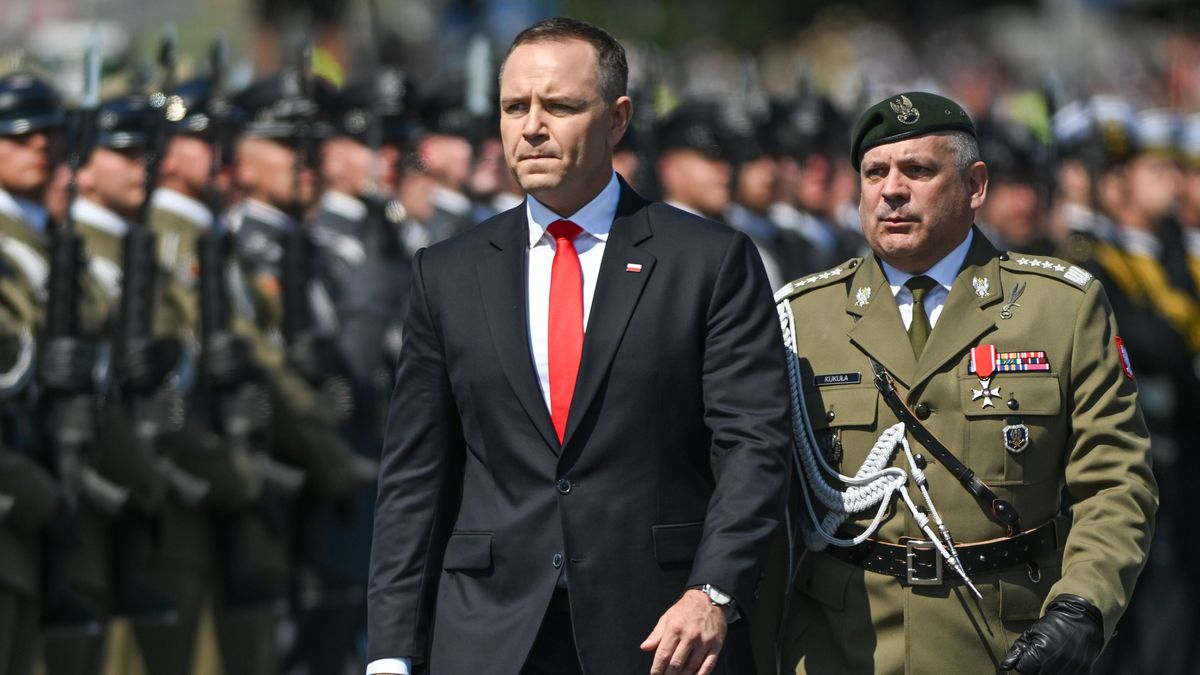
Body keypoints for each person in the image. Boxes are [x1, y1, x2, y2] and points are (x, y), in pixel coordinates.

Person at [367, 16, 790, 675]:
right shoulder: (446, 272)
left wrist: (715, 590)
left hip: (660, 632)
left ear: (617, 118)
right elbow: (415, 475)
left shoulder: (706, 261)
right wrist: (391, 651)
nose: (531, 126)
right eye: (514, 107)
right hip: (490, 635)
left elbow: (754, 444)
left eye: (559, 105)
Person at [768, 91, 1157, 674]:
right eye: (874, 172)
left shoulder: (1060, 308)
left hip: (1003, 642)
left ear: (975, 186)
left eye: (918, 170)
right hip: (841, 646)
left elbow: (1116, 480)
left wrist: (1083, 606)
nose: (890, 190)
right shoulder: (801, 317)